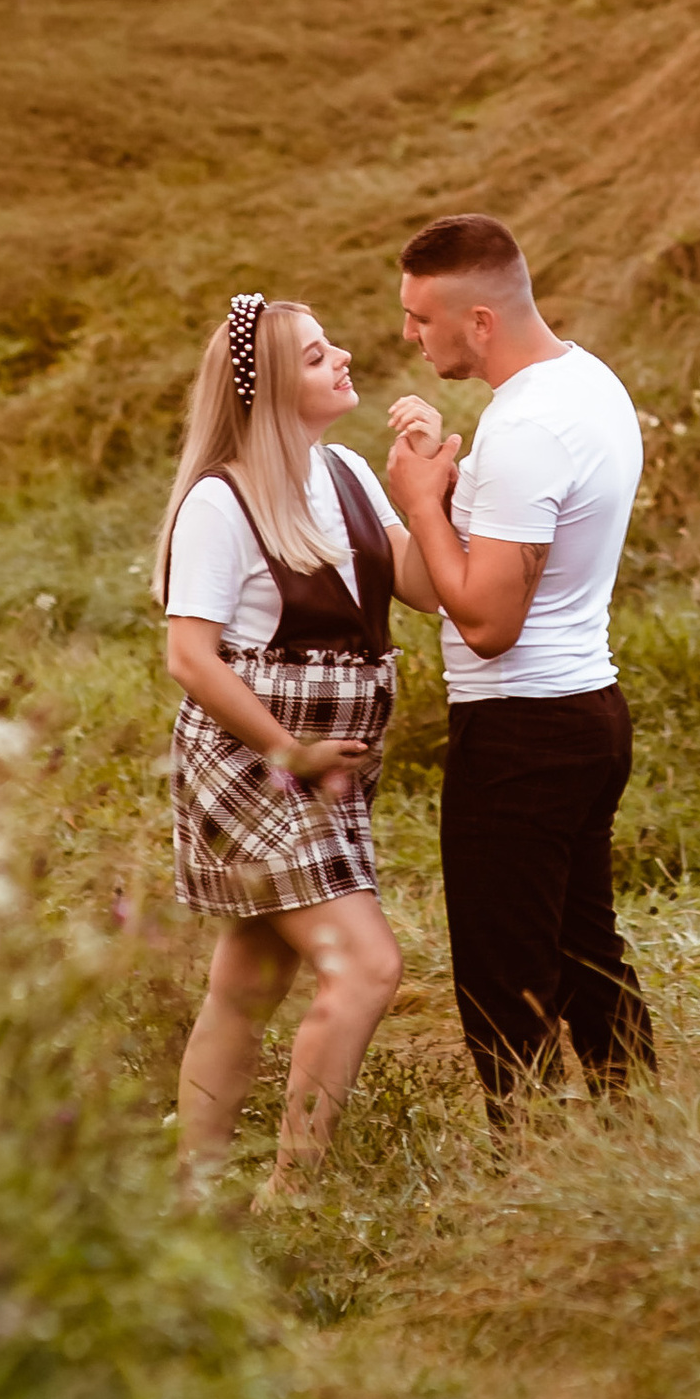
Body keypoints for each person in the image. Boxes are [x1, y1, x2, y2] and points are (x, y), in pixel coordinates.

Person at [155, 289, 441, 1201]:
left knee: (249, 975)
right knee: (366, 964)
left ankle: (192, 1189)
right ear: (275, 389)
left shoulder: (350, 471)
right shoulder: (221, 501)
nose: (344, 357)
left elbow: (429, 591)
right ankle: (294, 1193)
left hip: (330, 772)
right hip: (254, 765)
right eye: (318, 355)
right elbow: (190, 659)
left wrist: (423, 483)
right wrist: (289, 750)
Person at [384, 213, 657, 1124]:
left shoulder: (524, 428)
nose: (410, 335)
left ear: (480, 321)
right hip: (585, 710)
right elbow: (463, 583)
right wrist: (442, 506)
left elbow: (490, 622)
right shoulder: (588, 383)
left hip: (520, 730)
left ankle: (532, 1174)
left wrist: (424, 502)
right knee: (583, 950)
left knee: (506, 979)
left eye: (423, 318)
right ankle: (643, 1130)